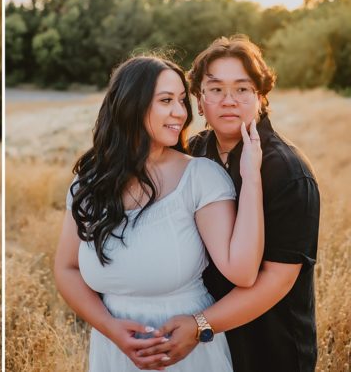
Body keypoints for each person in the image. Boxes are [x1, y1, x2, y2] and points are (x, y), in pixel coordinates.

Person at [52, 55, 263, 371]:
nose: (180, 112)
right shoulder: (90, 183)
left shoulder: (200, 177)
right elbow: (66, 269)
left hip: (185, 352)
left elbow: (243, 271)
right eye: (166, 100)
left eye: (181, 100)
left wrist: (252, 177)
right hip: (113, 352)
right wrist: (111, 328)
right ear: (131, 106)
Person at [137, 36, 320, 372]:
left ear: (261, 97)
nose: (229, 101)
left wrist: (201, 325)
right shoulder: (192, 152)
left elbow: (277, 279)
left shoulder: (288, 173)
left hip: (269, 346)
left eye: (242, 89)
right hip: (204, 350)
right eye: (216, 89)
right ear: (199, 99)